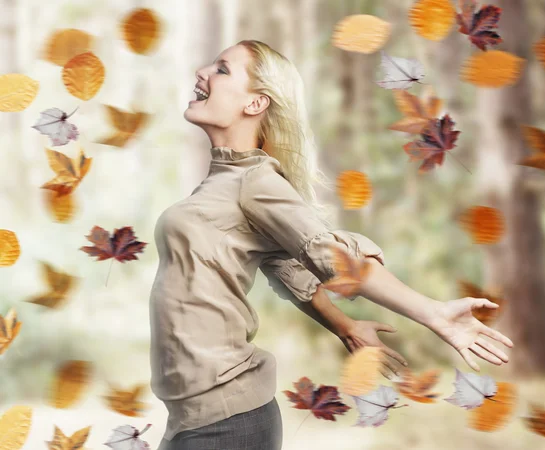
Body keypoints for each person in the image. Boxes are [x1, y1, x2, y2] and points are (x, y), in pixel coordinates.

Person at [152, 40, 513, 450]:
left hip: (226, 422)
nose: (202, 71)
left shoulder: (256, 181)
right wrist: (344, 325)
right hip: (193, 419)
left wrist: (434, 313)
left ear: (254, 104)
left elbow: (331, 255)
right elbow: (285, 267)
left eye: (221, 69)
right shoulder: (225, 182)